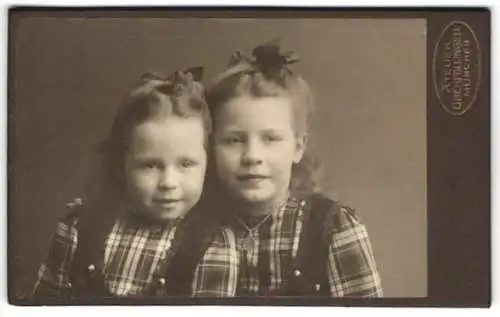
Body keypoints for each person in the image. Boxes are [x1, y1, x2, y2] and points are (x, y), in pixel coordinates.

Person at [33, 67, 238, 298]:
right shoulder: (80, 224)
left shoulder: (214, 247)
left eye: (186, 164)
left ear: (207, 165)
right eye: (150, 165)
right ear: (121, 165)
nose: (168, 182)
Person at [205, 39, 383, 297]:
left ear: (298, 148)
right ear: (211, 147)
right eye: (235, 140)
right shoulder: (195, 230)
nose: (252, 156)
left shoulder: (332, 228)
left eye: (270, 139)